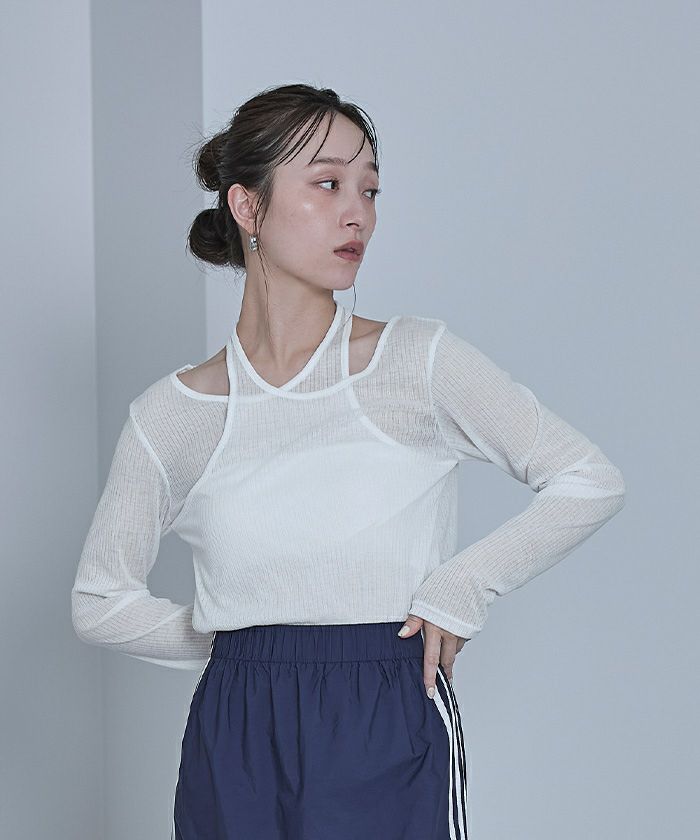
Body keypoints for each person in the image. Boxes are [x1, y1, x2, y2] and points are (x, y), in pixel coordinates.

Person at [70, 83, 626, 840]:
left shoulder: (416, 362)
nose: (357, 212)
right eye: (327, 184)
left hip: (382, 708)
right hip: (235, 724)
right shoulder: (173, 415)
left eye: (369, 189)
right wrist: (238, 635)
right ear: (248, 207)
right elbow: (99, 602)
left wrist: (461, 585)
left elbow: (587, 479)